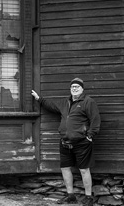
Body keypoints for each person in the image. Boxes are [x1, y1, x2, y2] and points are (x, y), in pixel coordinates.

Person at [31, 78, 100, 206]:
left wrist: (90, 135)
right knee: (65, 168)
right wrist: (38, 99)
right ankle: (70, 195)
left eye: (77, 87)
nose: (74, 88)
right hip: (64, 142)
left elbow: (95, 120)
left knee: (84, 169)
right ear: (70, 89)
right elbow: (50, 105)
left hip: (82, 143)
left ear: (82, 89)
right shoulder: (65, 102)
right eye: (72, 86)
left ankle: (88, 197)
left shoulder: (88, 102)